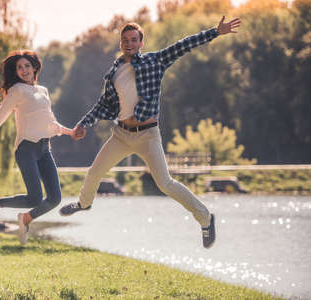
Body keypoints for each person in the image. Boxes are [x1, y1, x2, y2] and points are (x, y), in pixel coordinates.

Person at [59, 16, 242, 249]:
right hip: (121, 135)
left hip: (147, 135)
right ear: (120, 43)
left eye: (134, 40)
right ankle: (84, 204)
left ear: (141, 43)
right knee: (94, 172)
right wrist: (83, 124)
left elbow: (184, 45)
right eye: (125, 40)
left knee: (165, 184)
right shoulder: (114, 72)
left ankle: (205, 218)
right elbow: (103, 105)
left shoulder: (155, 61)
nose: (129, 43)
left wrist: (215, 32)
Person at [0, 50, 74, 245]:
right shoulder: (16, 90)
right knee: (34, 198)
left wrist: (71, 132)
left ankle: (26, 219)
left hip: (44, 149)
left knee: (55, 198)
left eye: (27, 66)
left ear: (35, 67)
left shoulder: (42, 90)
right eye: (19, 67)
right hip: (26, 149)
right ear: (15, 72)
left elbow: (50, 123)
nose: (24, 70)